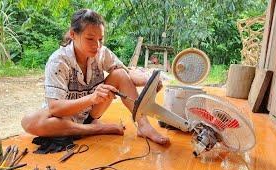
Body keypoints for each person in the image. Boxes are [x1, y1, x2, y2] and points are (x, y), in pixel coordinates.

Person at [21, 9, 170, 145]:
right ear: (73, 35)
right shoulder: (58, 61)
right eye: (90, 39)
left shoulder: (102, 53)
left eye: (100, 39)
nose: (97, 45)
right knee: (29, 122)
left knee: (119, 73)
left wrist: (149, 80)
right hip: (62, 120)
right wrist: (92, 98)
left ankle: (143, 125)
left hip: (90, 114)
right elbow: (55, 109)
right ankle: (96, 129)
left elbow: (127, 74)